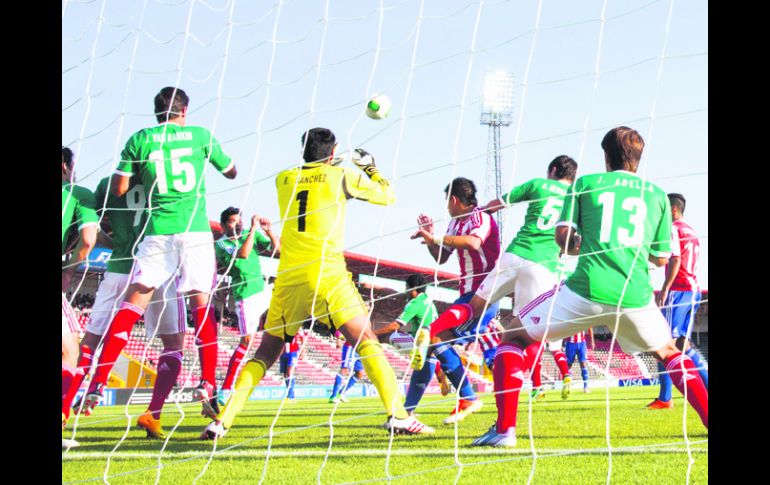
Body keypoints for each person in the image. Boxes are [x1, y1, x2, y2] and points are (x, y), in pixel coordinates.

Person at [472, 126, 708, 447]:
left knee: (513, 335)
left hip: (585, 290)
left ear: (606, 156)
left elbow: (563, 239)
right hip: (633, 295)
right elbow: (660, 259)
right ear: (639, 157)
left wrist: (585, 247)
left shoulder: (585, 184)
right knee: (669, 352)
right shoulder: (656, 195)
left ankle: (505, 430)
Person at [200, 127, 432, 439]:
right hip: (326, 272)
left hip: (289, 277)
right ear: (333, 153)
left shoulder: (283, 178)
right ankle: (399, 416)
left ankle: (222, 421)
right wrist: (370, 168)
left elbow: (311, 179)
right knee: (366, 340)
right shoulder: (342, 176)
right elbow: (388, 195)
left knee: (266, 353)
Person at [79, 87, 237, 420]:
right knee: (201, 301)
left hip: (156, 234)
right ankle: (207, 383)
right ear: (185, 110)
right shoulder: (200, 135)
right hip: (194, 229)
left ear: (156, 112)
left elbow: (120, 189)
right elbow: (231, 171)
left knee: (132, 303)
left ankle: (97, 383)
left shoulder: (140, 139)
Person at [68, 175, 188, 440]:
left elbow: (94, 222)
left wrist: (116, 241)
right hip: (160, 267)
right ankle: (153, 414)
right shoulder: (162, 179)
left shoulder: (106, 184)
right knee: (173, 344)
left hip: (119, 265)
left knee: (89, 340)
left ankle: (66, 409)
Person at [409, 177, 500, 424]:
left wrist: (436, 238)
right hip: (466, 296)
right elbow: (441, 257)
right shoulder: (454, 223)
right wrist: (432, 239)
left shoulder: (480, 217)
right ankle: (407, 411)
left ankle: (468, 397)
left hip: (483, 296)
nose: (446, 207)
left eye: (446, 201)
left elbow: (473, 242)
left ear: (454, 200)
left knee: (432, 335)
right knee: (431, 343)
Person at [214, 207, 280, 406]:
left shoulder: (246, 234)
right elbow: (242, 255)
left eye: (239, 220)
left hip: (263, 288)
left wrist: (268, 230)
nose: (239, 223)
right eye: (234, 221)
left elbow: (277, 249)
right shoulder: (222, 243)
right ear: (224, 225)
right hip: (245, 295)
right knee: (246, 340)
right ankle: (225, 389)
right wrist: (252, 229)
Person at [648, 193, 707, 409]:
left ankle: (665, 398)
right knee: (682, 344)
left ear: (673, 210)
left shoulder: (673, 228)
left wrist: (665, 288)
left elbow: (675, 258)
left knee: (663, 342)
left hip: (679, 289)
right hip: (693, 289)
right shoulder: (692, 231)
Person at [61, 146, 99, 449]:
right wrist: (69, 271)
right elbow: (88, 241)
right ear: (65, 166)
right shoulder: (78, 193)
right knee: (69, 351)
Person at [374, 274, 451, 396]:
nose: (405, 290)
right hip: (434, 340)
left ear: (413, 288)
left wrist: (373, 333)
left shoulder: (414, 303)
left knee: (390, 337)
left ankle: (415, 353)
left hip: (421, 341)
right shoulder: (428, 300)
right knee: (424, 364)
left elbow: (396, 325)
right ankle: (438, 372)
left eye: (406, 287)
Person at [328, 330, 365, 403]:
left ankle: (341, 393)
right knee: (344, 370)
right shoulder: (355, 320)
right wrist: (338, 339)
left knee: (360, 373)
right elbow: (340, 330)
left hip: (359, 349)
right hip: (350, 347)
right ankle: (333, 396)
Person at [280, 327, 308, 402]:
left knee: (290, 372)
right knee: (285, 374)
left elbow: (302, 337)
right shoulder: (281, 325)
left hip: (293, 352)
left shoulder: (295, 325)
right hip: (283, 353)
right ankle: (291, 396)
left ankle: (289, 396)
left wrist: (303, 351)